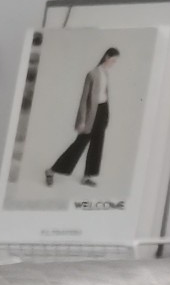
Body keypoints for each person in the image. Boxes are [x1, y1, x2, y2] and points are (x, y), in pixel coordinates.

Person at [45, 47, 118, 187]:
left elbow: (105, 95)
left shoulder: (106, 73)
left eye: (115, 61)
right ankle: (51, 170)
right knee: (80, 144)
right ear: (107, 57)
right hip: (91, 114)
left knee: (98, 145)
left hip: (102, 111)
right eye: (113, 60)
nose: (114, 63)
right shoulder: (92, 74)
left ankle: (87, 177)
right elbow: (84, 99)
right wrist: (82, 120)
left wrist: (106, 114)